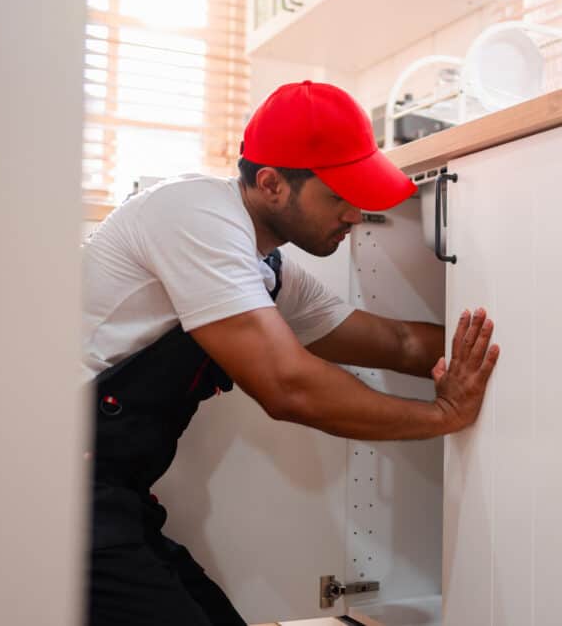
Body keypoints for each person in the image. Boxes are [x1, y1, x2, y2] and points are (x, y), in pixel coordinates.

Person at [81, 80, 500, 625]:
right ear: (273, 184)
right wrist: (443, 417)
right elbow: (289, 388)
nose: (354, 216)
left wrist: (505, 348)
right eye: (339, 196)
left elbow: (395, 342)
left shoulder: (264, 270)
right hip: (51, 487)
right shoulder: (196, 217)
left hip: (113, 494)